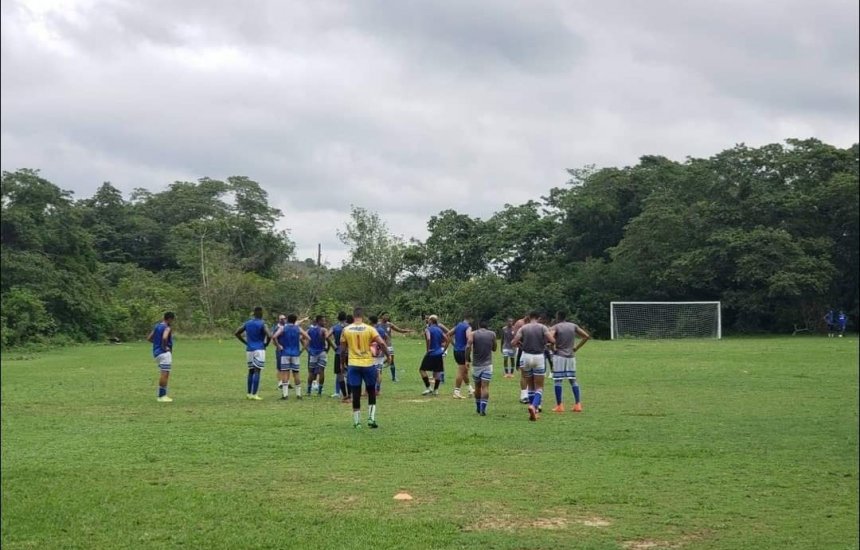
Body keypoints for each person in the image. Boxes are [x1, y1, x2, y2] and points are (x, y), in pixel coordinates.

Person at [340, 308, 391, 429]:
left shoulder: (346, 330)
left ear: (353, 316)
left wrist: (342, 364)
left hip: (353, 364)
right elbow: (382, 343)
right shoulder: (370, 329)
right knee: (371, 391)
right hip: (368, 364)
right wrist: (388, 356)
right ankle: (371, 419)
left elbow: (342, 350)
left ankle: (357, 422)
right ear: (362, 316)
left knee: (356, 393)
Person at [512, 311, 555, 421]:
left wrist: (522, 345)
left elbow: (514, 342)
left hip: (526, 356)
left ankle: (533, 411)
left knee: (530, 385)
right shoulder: (542, 327)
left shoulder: (524, 328)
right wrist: (546, 344)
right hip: (538, 357)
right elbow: (552, 340)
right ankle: (534, 406)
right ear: (538, 317)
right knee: (539, 386)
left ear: (529, 317)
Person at [549, 310, 591, 413]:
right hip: (571, 356)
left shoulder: (556, 327)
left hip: (559, 356)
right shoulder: (573, 326)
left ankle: (559, 405)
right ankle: (578, 404)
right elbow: (586, 336)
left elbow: (550, 339)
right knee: (573, 380)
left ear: (558, 317)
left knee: (558, 380)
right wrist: (576, 347)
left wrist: (552, 349)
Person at [234, 306, 273, 401]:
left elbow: (237, 333)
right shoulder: (263, 324)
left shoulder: (247, 323)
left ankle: (248, 393)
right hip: (259, 349)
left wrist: (245, 342)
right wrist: (266, 344)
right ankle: (255, 394)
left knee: (250, 371)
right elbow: (269, 335)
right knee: (257, 371)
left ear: (253, 313)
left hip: (249, 349)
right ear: (262, 313)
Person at [271, 314, 309, 400]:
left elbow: (274, 337)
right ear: (295, 320)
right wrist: (302, 350)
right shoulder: (298, 328)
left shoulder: (283, 328)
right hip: (295, 353)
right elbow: (308, 338)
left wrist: (279, 346)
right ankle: (298, 395)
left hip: (285, 353)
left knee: (284, 373)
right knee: (296, 373)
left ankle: (285, 395)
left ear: (287, 319)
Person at [467, 319, 497, 415]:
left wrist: (467, 358)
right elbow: (494, 348)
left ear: (479, 325)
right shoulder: (492, 334)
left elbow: (468, 346)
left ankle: (478, 407)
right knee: (485, 387)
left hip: (476, 365)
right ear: (487, 326)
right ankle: (483, 409)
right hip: (488, 364)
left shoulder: (473, 334)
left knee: (477, 386)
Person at [147, 311, 176, 402]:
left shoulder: (157, 326)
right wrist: (165, 347)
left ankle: (162, 395)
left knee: (163, 372)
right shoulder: (167, 328)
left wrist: (157, 344)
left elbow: (149, 338)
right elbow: (164, 337)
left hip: (156, 353)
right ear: (170, 319)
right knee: (165, 373)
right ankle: (162, 396)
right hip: (164, 354)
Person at [379, 312, 414, 382]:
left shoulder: (389, 324)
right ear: (381, 316)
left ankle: (394, 377)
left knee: (392, 361)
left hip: (389, 345)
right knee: (379, 361)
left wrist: (407, 331)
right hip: (381, 345)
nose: (387, 317)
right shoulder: (378, 325)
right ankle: (379, 377)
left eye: (388, 316)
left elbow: (399, 330)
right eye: (385, 316)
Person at [447, 314, 476, 399]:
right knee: (461, 371)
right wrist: (472, 344)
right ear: (470, 319)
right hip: (463, 351)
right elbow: (469, 338)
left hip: (456, 351)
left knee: (465, 371)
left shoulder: (458, 325)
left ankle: (470, 389)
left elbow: (448, 334)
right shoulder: (468, 327)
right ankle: (456, 391)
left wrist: (453, 344)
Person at [420, 315, 449, 395]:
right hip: (439, 353)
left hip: (431, 353)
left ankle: (428, 388)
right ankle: (436, 390)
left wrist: (428, 349)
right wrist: (444, 350)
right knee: (437, 371)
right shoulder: (439, 330)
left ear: (431, 321)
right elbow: (447, 340)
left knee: (422, 370)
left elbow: (428, 338)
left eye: (428, 320)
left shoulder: (428, 329)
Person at [306, 315, 329, 397]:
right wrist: (328, 347)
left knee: (311, 372)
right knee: (321, 371)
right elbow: (328, 337)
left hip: (312, 353)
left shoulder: (310, 330)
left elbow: (302, 338)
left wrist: (307, 349)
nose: (324, 322)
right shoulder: (323, 330)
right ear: (318, 321)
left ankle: (308, 391)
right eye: (323, 321)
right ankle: (319, 392)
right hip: (322, 352)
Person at [511, 312, 530, 403]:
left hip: (532, 350)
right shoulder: (519, 323)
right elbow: (515, 337)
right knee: (524, 373)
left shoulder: (533, 324)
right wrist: (522, 345)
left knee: (531, 374)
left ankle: (530, 394)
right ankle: (523, 395)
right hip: (522, 349)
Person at [330, 311, 348, 399]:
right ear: (346, 318)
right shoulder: (350, 327)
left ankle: (338, 392)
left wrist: (334, 347)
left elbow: (326, 336)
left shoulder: (334, 327)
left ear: (338, 318)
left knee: (339, 373)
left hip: (339, 352)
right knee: (349, 372)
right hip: (349, 352)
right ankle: (350, 392)